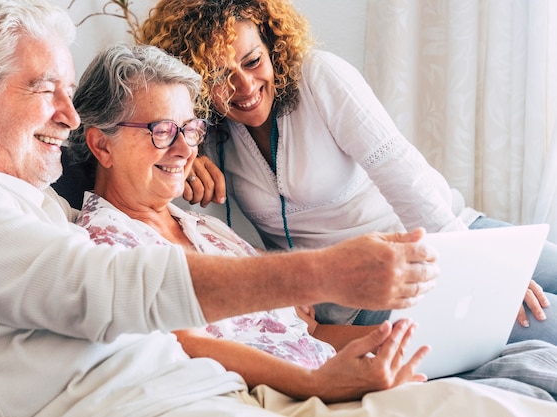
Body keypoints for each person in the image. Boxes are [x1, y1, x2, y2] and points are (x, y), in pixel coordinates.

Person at [0, 1, 555, 416]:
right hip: (284, 383)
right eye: (47, 91)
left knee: (524, 350)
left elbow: (310, 321)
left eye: (192, 129)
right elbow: (115, 294)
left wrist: (409, 342)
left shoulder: (57, 209)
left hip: (432, 248)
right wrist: (328, 281)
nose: (66, 118)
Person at [68, 42, 557, 404]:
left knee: (530, 342)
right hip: (312, 387)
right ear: (101, 145)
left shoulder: (203, 228)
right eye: (160, 131)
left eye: (189, 129)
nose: (182, 148)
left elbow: (313, 331)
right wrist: (316, 383)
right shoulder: (102, 244)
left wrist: (399, 345)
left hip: (374, 320)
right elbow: (177, 340)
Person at [139, 0, 557, 344]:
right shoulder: (202, 134)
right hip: (371, 288)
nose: (245, 87)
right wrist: (190, 155)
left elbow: (403, 173)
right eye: (221, 77)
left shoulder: (319, 77)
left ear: (272, 46)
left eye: (252, 61)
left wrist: (481, 267)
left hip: (454, 232)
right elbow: (172, 209)